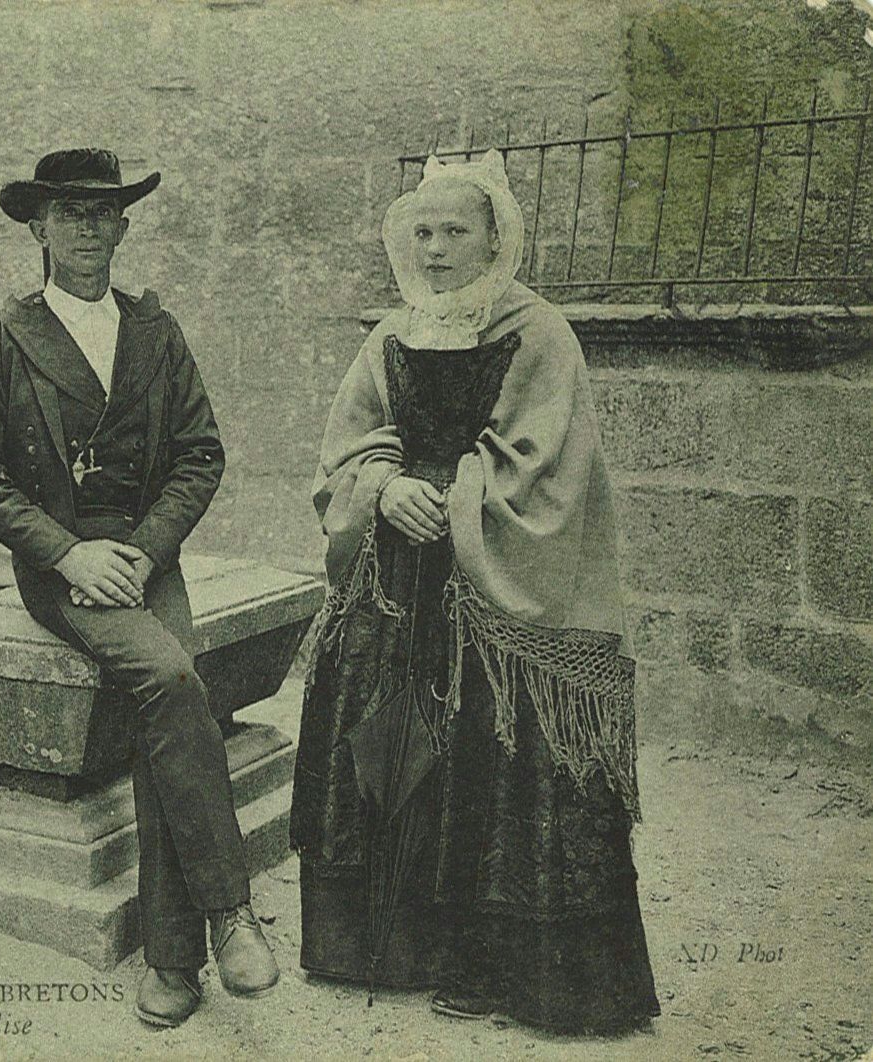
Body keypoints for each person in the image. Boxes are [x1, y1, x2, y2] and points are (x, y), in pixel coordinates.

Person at [290, 149, 659, 1033]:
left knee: (496, 754)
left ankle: (501, 967)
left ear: (496, 239)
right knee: (381, 736)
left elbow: (543, 464)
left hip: (492, 586)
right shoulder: (391, 334)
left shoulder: (540, 333)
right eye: (422, 232)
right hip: (398, 573)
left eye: (455, 231)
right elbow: (346, 445)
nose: (436, 249)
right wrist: (384, 487)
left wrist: (448, 494)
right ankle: (386, 949)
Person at [0, 148, 280, 1028]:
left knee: (169, 697)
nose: (88, 229)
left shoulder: (155, 333)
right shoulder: (3, 338)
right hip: (60, 568)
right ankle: (230, 913)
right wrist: (67, 555)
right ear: (38, 228)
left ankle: (173, 964)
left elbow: (200, 454)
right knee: (170, 677)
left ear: (125, 228)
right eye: (69, 213)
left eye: (103, 213)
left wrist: (143, 549)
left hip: (142, 557)